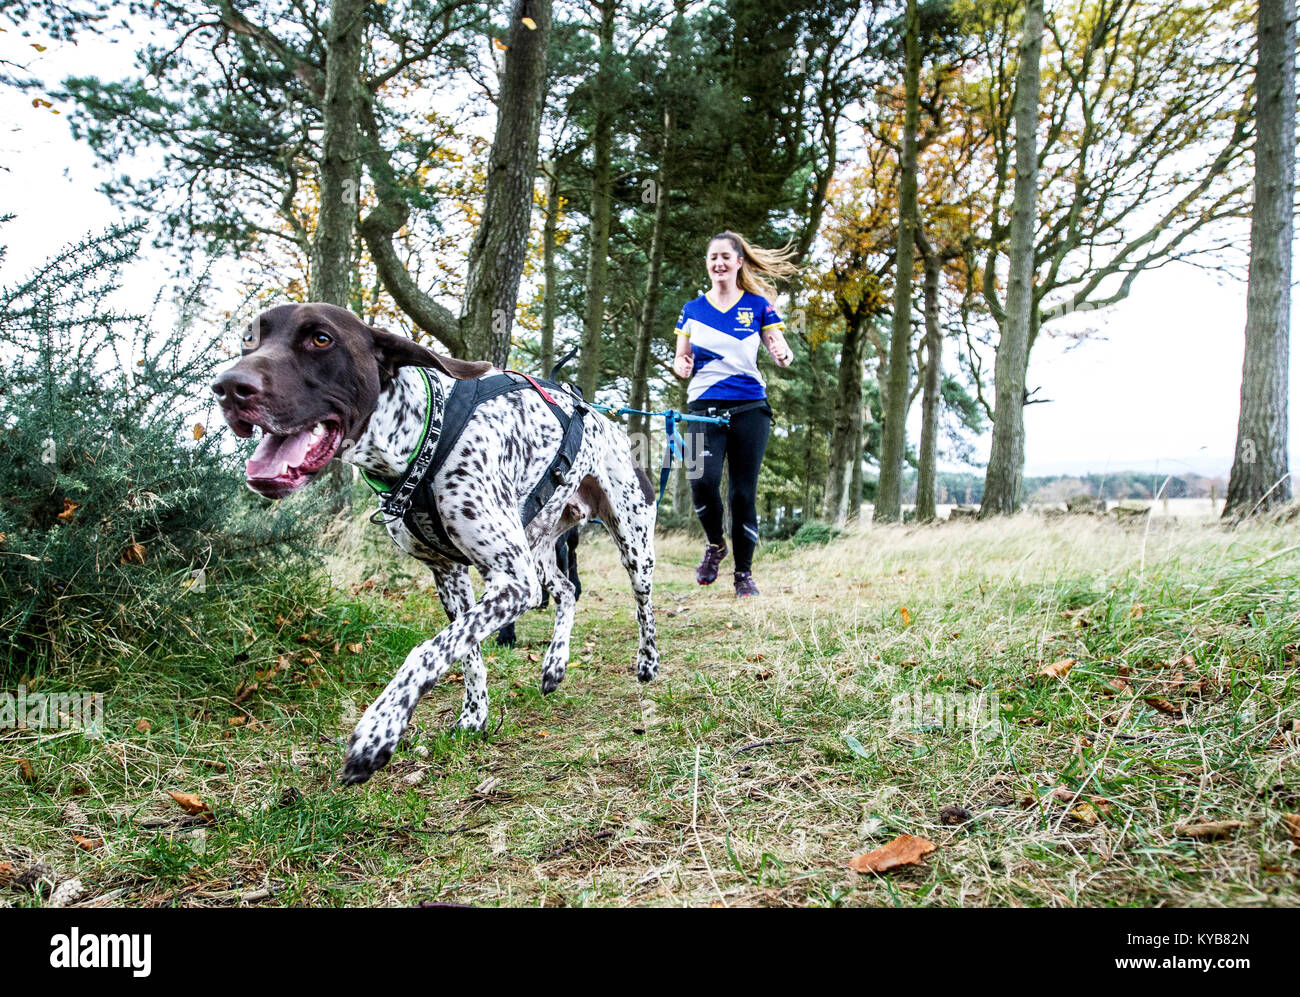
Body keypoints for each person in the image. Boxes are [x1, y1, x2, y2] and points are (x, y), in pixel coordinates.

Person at [672, 230, 795, 597]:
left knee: (743, 494)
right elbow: (681, 356)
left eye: (726, 257)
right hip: (701, 407)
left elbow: (779, 346)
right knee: (699, 479)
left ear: (739, 262)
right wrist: (681, 364)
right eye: (713, 258)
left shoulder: (758, 305)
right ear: (707, 265)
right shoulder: (692, 310)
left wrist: (781, 353)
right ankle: (715, 544)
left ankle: (744, 575)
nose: (719, 263)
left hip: (749, 408)